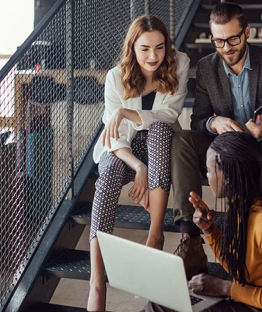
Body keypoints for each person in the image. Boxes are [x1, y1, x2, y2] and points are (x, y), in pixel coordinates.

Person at [172, 0, 262, 278]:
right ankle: (190, 238)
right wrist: (215, 122)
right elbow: (197, 122)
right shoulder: (205, 67)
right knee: (182, 140)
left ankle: (260, 189)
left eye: (233, 39)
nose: (226, 48)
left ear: (247, 31)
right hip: (226, 151)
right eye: (219, 41)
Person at [87, 15, 190, 312]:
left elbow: (169, 115)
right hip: (124, 149)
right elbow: (114, 138)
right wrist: (138, 167)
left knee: (158, 131)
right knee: (107, 178)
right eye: (144, 49)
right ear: (132, 47)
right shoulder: (114, 77)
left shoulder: (179, 63)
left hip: (160, 140)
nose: (153, 56)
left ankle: (155, 234)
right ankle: (97, 281)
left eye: (159, 47)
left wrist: (126, 114)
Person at [146, 132, 262, 312]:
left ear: (227, 177)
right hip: (248, 300)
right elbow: (238, 268)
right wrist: (209, 230)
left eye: (209, 170)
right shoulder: (242, 207)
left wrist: (225, 288)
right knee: (159, 302)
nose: (206, 175)